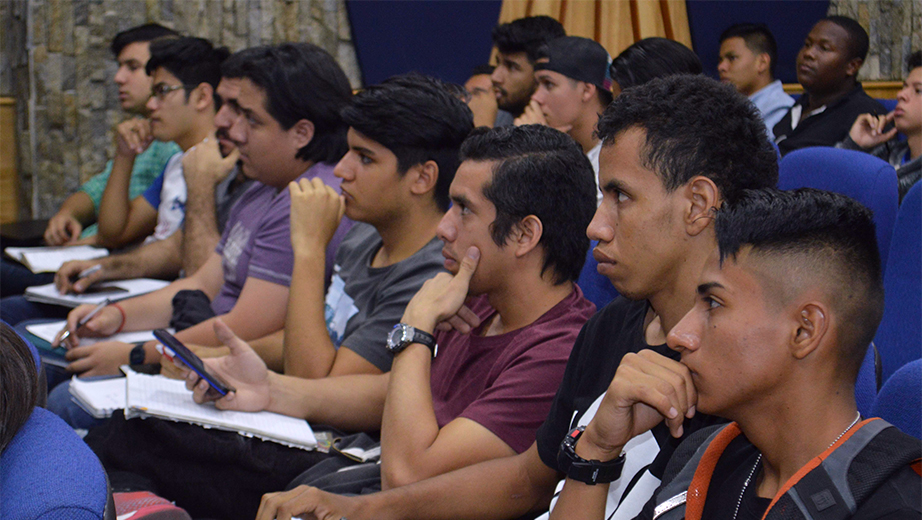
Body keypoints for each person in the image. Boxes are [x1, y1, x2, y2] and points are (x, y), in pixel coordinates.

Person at [248, 75, 779, 520]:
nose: (596, 225)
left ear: (698, 205)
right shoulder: (611, 328)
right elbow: (527, 478)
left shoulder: (742, 366)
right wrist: (364, 510)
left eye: (620, 197)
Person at [86, 124, 597, 520]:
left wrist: (416, 329)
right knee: (125, 435)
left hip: (386, 486)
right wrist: (271, 390)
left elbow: (406, 473)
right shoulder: (481, 300)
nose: (444, 226)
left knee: (128, 441)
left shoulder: (557, 348)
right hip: (357, 467)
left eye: (463, 210)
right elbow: (399, 393)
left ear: (526, 234)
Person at [47, 42, 354, 378]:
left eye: (250, 119)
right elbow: (201, 282)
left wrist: (134, 353)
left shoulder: (307, 196)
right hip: (194, 347)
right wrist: (116, 315)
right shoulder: (263, 184)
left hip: (224, 363)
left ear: (301, 133)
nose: (233, 129)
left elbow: (244, 329)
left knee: (56, 382)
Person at [628, 188, 921, 519]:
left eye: (713, 303)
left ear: (804, 331)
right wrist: (595, 453)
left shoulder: (895, 510)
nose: (679, 335)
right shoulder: (701, 461)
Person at [226, 73, 473, 378]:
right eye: (348, 151)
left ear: (422, 178)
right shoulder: (365, 234)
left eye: (365, 158)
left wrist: (310, 249)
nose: (342, 170)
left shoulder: (429, 276)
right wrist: (216, 356)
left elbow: (314, 383)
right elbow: (317, 337)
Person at [0, 36, 231, 329]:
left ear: (201, 97)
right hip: (143, 281)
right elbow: (117, 231)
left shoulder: (227, 168)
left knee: (12, 320)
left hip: (176, 299)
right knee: (11, 313)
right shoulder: (178, 162)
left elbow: (192, 269)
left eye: (161, 92)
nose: (150, 104)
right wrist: (124, 156)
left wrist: (107, 269)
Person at [0, 23, 180, 298]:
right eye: (119, 66)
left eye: (132, 67)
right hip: (82, 251)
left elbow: (121, 233)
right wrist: (67, 214)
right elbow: (95, 190)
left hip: (111, 262)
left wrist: (93, 240)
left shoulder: (177, 146)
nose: (119, 78)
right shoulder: (141, 129)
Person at [516, 36, 612, 203]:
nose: (536, 97)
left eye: (548, 84)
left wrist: (536, 151)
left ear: (586, 91)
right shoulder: (570, 152)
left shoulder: (612, 162)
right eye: (537, 85)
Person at [773, 16, 887, 155]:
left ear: (852, 66)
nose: (808, 53)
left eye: (824, 48)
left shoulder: (867, 116)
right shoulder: (801, 105)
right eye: (807, 44)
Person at [837, 50, 921, 201]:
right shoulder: (885, 153)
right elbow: (826, 193)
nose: (900, 95)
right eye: (904, 86)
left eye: (918, 90)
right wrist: (854, 144)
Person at [718, 23, 794, 138]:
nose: (721, 67)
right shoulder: (725, 108)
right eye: (720, 60)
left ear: (762, 62)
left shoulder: (782, 111)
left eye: (732, 58)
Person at [490, 15, 566, 123]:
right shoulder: (500, 119)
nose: (495, 77)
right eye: (498, 63)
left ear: (542, 75)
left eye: (511, 67)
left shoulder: (568, 134)